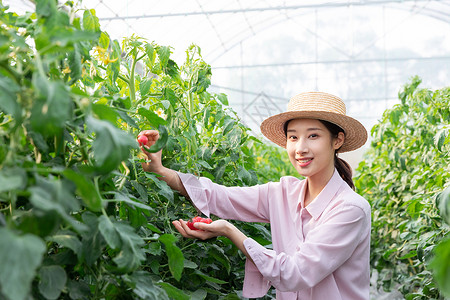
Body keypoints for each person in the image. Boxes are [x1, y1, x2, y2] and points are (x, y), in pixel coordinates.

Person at [138, 91, 371, 300]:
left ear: (337, 140)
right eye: (293, 137)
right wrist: (160, 171)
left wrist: (229, 231)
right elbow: (221, 196)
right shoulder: (283, 193)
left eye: (313, 136)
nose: (300, 148)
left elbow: (295, 274)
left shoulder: (350, 209)